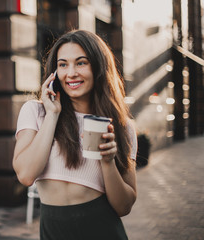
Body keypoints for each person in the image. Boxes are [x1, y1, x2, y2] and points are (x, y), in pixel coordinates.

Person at [12, 30, 137, 240]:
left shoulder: (122, 127)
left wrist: (108, 162)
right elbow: (26, 174)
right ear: (54, 71)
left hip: (102, 230)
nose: (71, 73)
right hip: (53, 231)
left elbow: (124, 206)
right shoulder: (36, 111)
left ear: (98, 67)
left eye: (81, 63)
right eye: (62, 64)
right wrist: (52, 114)